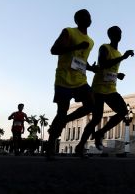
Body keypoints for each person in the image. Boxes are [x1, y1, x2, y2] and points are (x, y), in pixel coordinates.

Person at [46, 9, 97, 159]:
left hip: (80, 79)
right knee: (61, 110)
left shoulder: (91, 41)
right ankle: (50, 147)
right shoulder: (68, 32)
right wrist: (75, 47)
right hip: (64, 78)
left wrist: (91, 68)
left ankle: (66, 120)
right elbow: (54, 50)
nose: (88, 18)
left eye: (89, 16)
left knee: (91, 105)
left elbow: (81, 58)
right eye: (84, 17)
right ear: (77, 20)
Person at [76, 26, 134, 152]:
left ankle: (100, 133)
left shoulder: (118, 53)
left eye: (120, 33)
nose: (119, 35)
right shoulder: (104, 48)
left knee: (123, 111)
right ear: (110, 35)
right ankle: (80, 145)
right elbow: (102, 64)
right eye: (116, 33)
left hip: (111, 89)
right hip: (98, 88)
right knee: (96, 118)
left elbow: (109, 69)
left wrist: (118, 75)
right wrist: (123, 58)